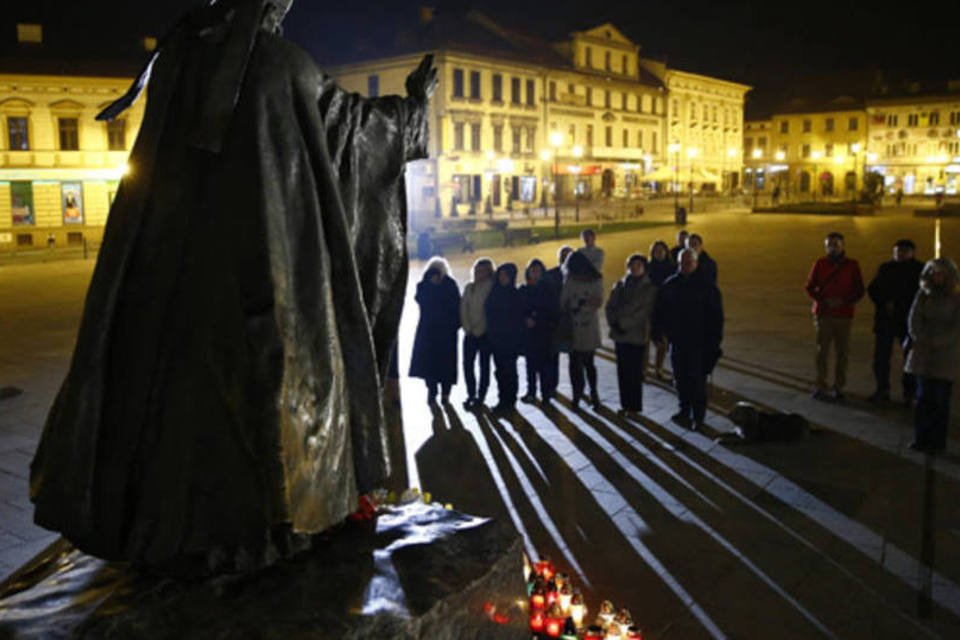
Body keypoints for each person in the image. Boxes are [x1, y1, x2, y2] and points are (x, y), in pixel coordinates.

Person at [29, 0, 436, 574]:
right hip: (264, 279)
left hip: (169, 281)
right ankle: (270, 528)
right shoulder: (280, 65)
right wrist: (414, 110)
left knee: (162, 393)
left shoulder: (179, 64)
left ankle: (152, 528)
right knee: (263, 395)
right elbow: (357, 135)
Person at [656, 249, 724, 429]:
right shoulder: (670, 284)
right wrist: (660, 332)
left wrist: (714, 343)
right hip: (677, 342)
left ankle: (698, 416)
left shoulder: (707, 287)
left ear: (696, 263)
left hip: (699, 343)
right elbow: (659, 310)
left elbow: (716, 318)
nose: (685, 267)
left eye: (689, 263)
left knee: (697, 381)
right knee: (680, 378)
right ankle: (683, 410)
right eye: (682, 263)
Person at [904, 258, 960, 452]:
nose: (937, 276)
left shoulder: (956, 297)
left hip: (945, 354)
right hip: (924, 352)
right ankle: (921, 438)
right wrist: (919, 337)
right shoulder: (923, 294)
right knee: (923, 398)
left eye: (941, 273)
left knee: (940, 400)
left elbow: (956, 327)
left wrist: (938, 342)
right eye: (934, 272)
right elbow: (914, 316)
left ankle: (937, 441)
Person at [805, 232, 865, 402]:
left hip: (843, 315)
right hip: (823, 314)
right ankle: (821, 384)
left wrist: (843, 301)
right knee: (821, 352)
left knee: (842, 352)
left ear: (842, 245)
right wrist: (823, 301)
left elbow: (859, 289)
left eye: (836, 244)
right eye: (829, 244)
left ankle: (839, 386)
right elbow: (809, 286)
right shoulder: (820, 264)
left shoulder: (852, 265)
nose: (832, 247)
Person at [866, 239, 924, 404]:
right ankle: (882, 389)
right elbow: (873, 289)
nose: (900, 254)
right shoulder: (886, 268)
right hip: (886, 320)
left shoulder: (919, 270)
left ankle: (909, 393)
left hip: (908, 321)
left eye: (904, 251)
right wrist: (885, 302)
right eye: (897, 251)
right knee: (881, 358)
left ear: (912, 252)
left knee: (910, 359)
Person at [605, 254, 657, 418]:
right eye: (631, 265)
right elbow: (610, 306)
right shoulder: (620, 284)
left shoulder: (649, 288)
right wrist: (613, 323)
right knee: (622, 371)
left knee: (634, 373)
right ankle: (625, 404)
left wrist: (622, 323)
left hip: (635, 335)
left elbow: (642, 312)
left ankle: (634, 407)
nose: (634, 268)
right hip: (620, 336)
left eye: (638, 265)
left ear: (644, 267)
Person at [409, 258, 460, 404]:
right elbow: (420, 299)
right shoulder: (424, 285)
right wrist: (430, 284)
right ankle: (432, 391)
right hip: (431, 331)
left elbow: (455, 305)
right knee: (429, 364)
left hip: (443, 331)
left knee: (445, 364)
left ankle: (445, 393)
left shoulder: (449, 284)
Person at [562, 251, 604, 408]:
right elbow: (563, 301)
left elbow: (598, 301)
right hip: (573, 328)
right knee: (574, 364)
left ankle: (594, 393)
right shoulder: (570, 280)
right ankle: (576, 394)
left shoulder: (595, 279)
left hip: (588, 327)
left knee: (589, 363)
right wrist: (572, 304)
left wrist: (582, 303)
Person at [486, 263, 525, 417]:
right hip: (496, 340)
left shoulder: (514, 295)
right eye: (500, 275)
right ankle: (502, 400)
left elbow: (518, 319)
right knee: (500, 372)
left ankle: (510, 401)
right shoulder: (494, 292)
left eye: (505, 275)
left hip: (510, 341)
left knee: (510, 371)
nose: (502, 278)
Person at [520, 259, 560, 404]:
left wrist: (536, 319)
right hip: (529, 334)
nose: (535, 272)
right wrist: (525, 318)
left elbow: (552, 310)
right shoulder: (523, 289)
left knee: (544, 366)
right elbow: (518, 309)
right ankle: (531, 392)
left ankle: (545, 393)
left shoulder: (548, 289)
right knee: (530, 365)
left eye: (538, 270)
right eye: (532, 269)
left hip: (544, 332)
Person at [460, 257, 495, 410]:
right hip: (469, 334)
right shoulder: (469, 287)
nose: (478, 274)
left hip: (485, 334)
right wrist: (468, 328)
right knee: (467, 365)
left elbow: (488, 312)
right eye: (476, 270)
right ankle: (471, 394)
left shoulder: (491, 288)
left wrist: (480, 329)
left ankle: (481, 396)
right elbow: (463, 309)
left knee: (484, 366)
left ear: (488, 273)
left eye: (482, 271)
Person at [647, 240, 674, 378]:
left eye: (661, 250)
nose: (658, 253)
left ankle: (658, 368)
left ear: (666, 251)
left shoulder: (672, 268)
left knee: (662, 342)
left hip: (665, 309)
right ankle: (643, 367)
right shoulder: (648, 268)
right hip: (650, 310)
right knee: (646, 341)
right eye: (656, 251)